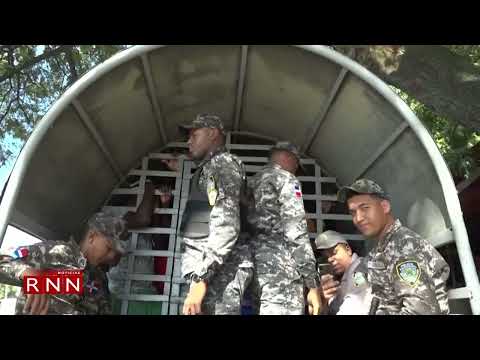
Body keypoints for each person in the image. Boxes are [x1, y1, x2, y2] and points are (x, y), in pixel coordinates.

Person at [337, 178, 450, 315]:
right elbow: (359, 282)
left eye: (365, 208)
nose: (358, 218)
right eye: (353, 212)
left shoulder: (404, 247)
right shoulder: (381, 250)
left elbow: (421, 311)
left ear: (385, 207)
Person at [178, 114, 253, 315]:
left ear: (212, 134)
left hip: (219, 273)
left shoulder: (222, 164)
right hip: (209, 272)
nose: (188, 141)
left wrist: (201, 279)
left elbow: (226, 224)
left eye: (194, 134)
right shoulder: (210, 168)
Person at [247, 141, 322, 315]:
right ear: (290, 158)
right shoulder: (286, 179)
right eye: (296, 165)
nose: (296, 171)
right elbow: (295, 230)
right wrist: (312, 282)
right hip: (281, 271)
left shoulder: (251, 183)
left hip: (255, 269)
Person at [0, 212, 126, 315]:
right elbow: (5, 260)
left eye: (115, 252)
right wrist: (28, 274)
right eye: (109, 248)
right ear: (92, 236)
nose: (111, 256)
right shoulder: (58, 252)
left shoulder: (99, 278)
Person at [315, 230, 371, 315]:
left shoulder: (359, 271)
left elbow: (358, 299)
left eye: (334, 252)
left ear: (348, 250)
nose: (330, 259)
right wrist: (323, 300)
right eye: (326, 257)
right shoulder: (339, 277)